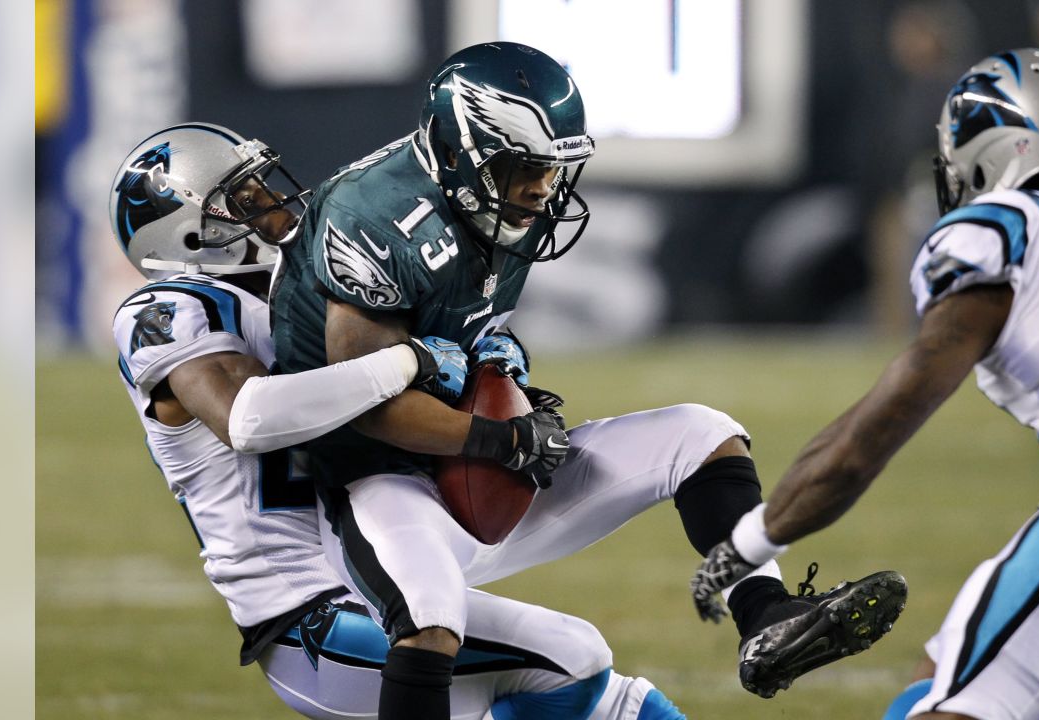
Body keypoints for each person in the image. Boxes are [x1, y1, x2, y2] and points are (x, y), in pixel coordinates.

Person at [269, 41, 908, 720]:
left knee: (703, 434)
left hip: (473, 464)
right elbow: (367, 402)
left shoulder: (493, 202)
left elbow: (464, 332)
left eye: (552, 169)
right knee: (431, 611)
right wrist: (502, 437)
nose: (543, 189)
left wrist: (499, 366)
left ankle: (766, 615)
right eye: (523, 168)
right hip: (372, 486)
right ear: (456, 153)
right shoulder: (370, 215)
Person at [109, 122, 684, 720]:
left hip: (379, 559)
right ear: (188, 236)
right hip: (307, 607)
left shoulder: (302, 288)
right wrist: (409, 358)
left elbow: (426, 363)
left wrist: (490, 355)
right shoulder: (168, 310)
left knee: (603, 694)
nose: (276, 204)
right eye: (245, 200)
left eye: (262, 185)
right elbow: (247, 417)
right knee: (572, 657)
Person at [690, 48, 1039, 718]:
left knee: (950, 708)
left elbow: (878, 429)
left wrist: (749, 544)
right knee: (940, 672)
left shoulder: (1001, 230)